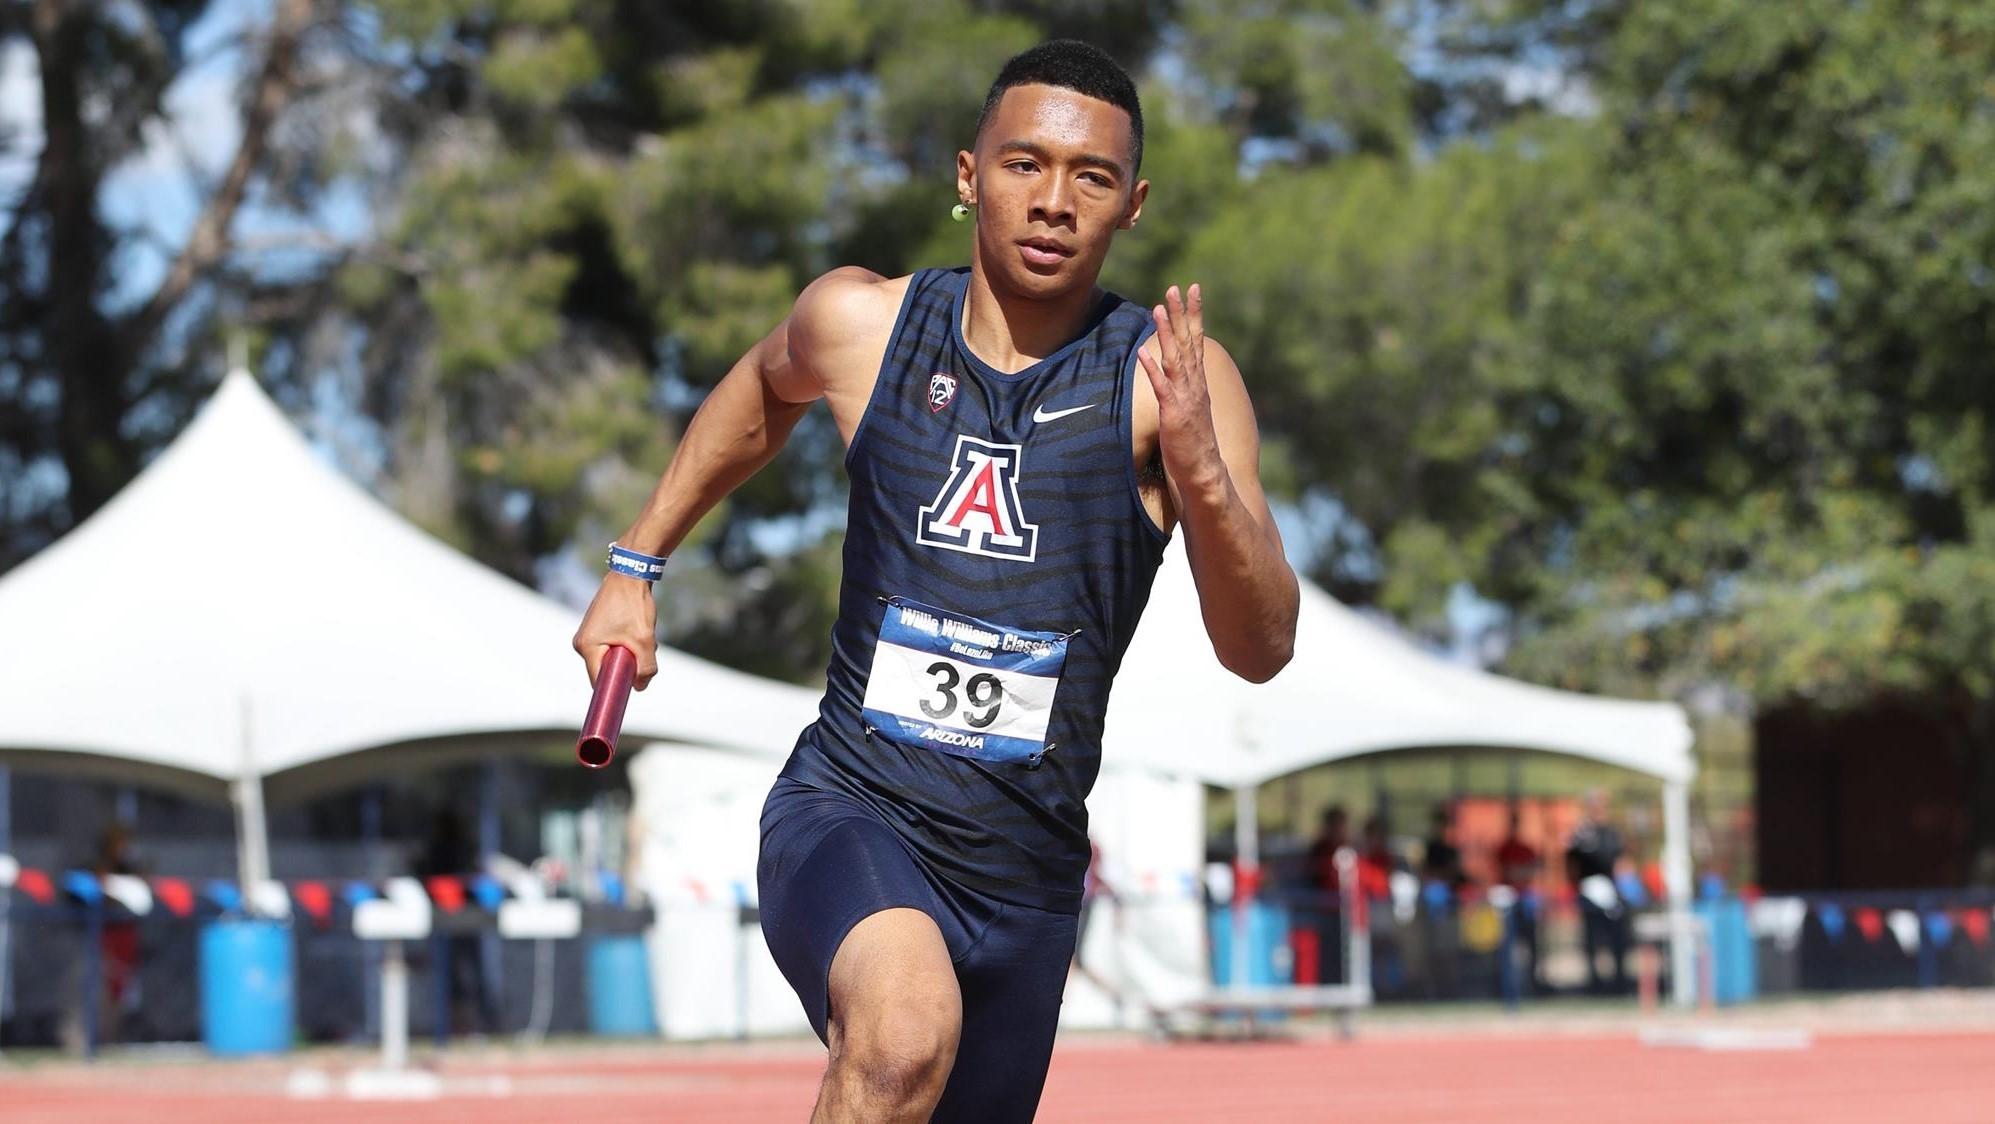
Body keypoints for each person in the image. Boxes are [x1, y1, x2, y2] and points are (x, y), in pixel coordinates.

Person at [572, 39, 1299, 1123]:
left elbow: (1261, 646)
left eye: (1090, 177)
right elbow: (761, 394)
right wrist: (636, 563)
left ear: (1132, 204)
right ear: (969, 176)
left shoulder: (1170, 383)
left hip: (1029, 872)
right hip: (854, 811)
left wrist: (1199, 468)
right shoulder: (865, 326)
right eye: (1024, 165)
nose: (1053, 201)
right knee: (902, 1037)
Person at [1566, 789, 1630, 994]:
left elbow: (1620, 862)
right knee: (1592, 939)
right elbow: (1571, 861)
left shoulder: (1612, 832)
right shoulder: (1582, 833)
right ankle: (1595, 983)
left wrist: (1623, 888)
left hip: (1610, 891)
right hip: (1589, 891)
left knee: (1617, 938)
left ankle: (1619, 981)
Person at [1495, 805, 1543, 994]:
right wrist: (1524, 870)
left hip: (1525, 899)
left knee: (1531, 944)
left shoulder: (1526, 848)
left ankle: (1533, 984)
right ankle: (1509, 989)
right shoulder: (1505, 848)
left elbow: (1533, 870)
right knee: (1507, 946)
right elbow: (1511, 872)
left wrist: (1524, 870)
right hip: (1510, 900)